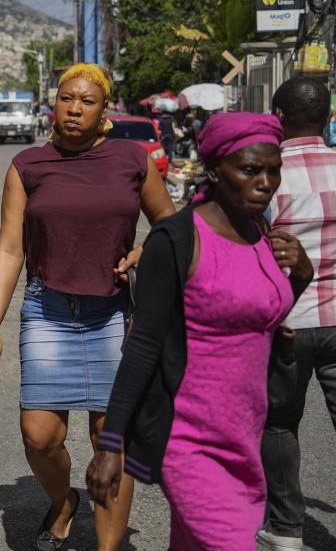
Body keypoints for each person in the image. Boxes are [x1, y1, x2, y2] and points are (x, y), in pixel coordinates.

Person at [87, 112, 314, 551]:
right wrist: (110, 443)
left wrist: (300, 276)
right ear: (214, 170)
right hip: (189, 440)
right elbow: (143, 344)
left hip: (246, 437)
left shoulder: (262, 234)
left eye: (273, 170)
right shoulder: (176, 240)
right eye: (250, 170)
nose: (265, 182)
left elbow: (267, 314)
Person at [0, 63, 175, 551]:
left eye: (87, 101)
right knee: (39, 435)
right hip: (47, 310)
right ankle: (64, 500)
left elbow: (172, 225)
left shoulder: (132, 158)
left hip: (111, 315)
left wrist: (144, 251)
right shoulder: (28, 165)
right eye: (67, 98)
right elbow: (8, 248)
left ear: (104, 109)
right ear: (54, 103)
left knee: (111, 439)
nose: (74, 108)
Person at [259, 77, 336, 551]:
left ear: (278, 118)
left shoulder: (264, 175)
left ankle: (286, 530)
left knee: (280, 423)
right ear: (328, 117)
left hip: (287, 321)